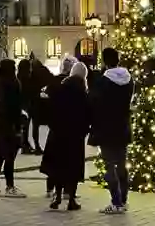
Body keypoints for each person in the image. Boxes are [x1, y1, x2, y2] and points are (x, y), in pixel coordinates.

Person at [40, 59, 91, 211]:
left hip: (57, 134)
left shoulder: (59, 89)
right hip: (75, 137)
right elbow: (88, 115)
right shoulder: (83, 93)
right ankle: (71, 199)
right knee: (73, 167)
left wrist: (53, 125)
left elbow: (49, 109)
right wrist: (84, 130)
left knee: (58, 165)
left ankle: (57, 195)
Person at [88, 47, 133, 215]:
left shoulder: (103, 81)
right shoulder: (129, 80)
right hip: (122, 127)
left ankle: (116, 201)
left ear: (105, 61)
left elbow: (94, 103)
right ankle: (124, 200)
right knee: (122, 164)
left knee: (109, 166)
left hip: (106, 128)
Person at [0, 60, 25, 198]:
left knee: (0, 156)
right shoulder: (12, 84)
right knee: (10, 157)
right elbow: (14, 106)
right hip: (10, 125)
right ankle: (9, 186)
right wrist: (18, 125)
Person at [29, 56, 53, 155]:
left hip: (35, 103)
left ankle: (37, 146)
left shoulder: (31, 74)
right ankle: (50, 146)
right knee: (50, 125)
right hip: (46, 102)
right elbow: (52, 81)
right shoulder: (45, 71)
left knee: (35, 126)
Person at [17, 59, 35, 154]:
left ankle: (24, 143)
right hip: (26, 105)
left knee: (23, 126)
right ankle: (24, 145)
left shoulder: (18, 77)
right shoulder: (27, 78)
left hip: (20, 105)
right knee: (26, 126)